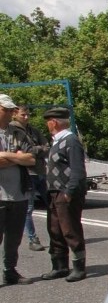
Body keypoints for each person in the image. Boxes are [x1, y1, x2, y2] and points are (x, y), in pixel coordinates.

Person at [41, 107, 88, 282]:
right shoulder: (56, 141)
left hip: (66, 192)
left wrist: (70, 191)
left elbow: (78, 170)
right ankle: (59, 266)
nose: (47, 124)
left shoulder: (70, 141)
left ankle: (79, 267)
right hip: (54, 192)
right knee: (54, 229)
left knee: (70, 230)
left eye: (48, 121)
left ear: (54, 122)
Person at [0, 94, 36, 285]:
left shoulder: (18, 132)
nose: (9, 113)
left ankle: (10, 271)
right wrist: (17, 157)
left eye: (10, 110)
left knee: (14, 238)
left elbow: (31, 159)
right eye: (5, 109)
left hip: (19, 193)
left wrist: (6, 155)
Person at [8, 104, 50, 252]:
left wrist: (35, 150)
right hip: (27, 173)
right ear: (14, 114)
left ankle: (56, 235)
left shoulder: (33, 130)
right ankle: (33, 239)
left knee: (52, 204)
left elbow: (46, 147)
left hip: (40, 172)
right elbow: (18, 151)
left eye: (27, 115)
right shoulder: (12, 130)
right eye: (23, 115)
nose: (26, 117)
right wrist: (36, 150)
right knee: (29, 208)